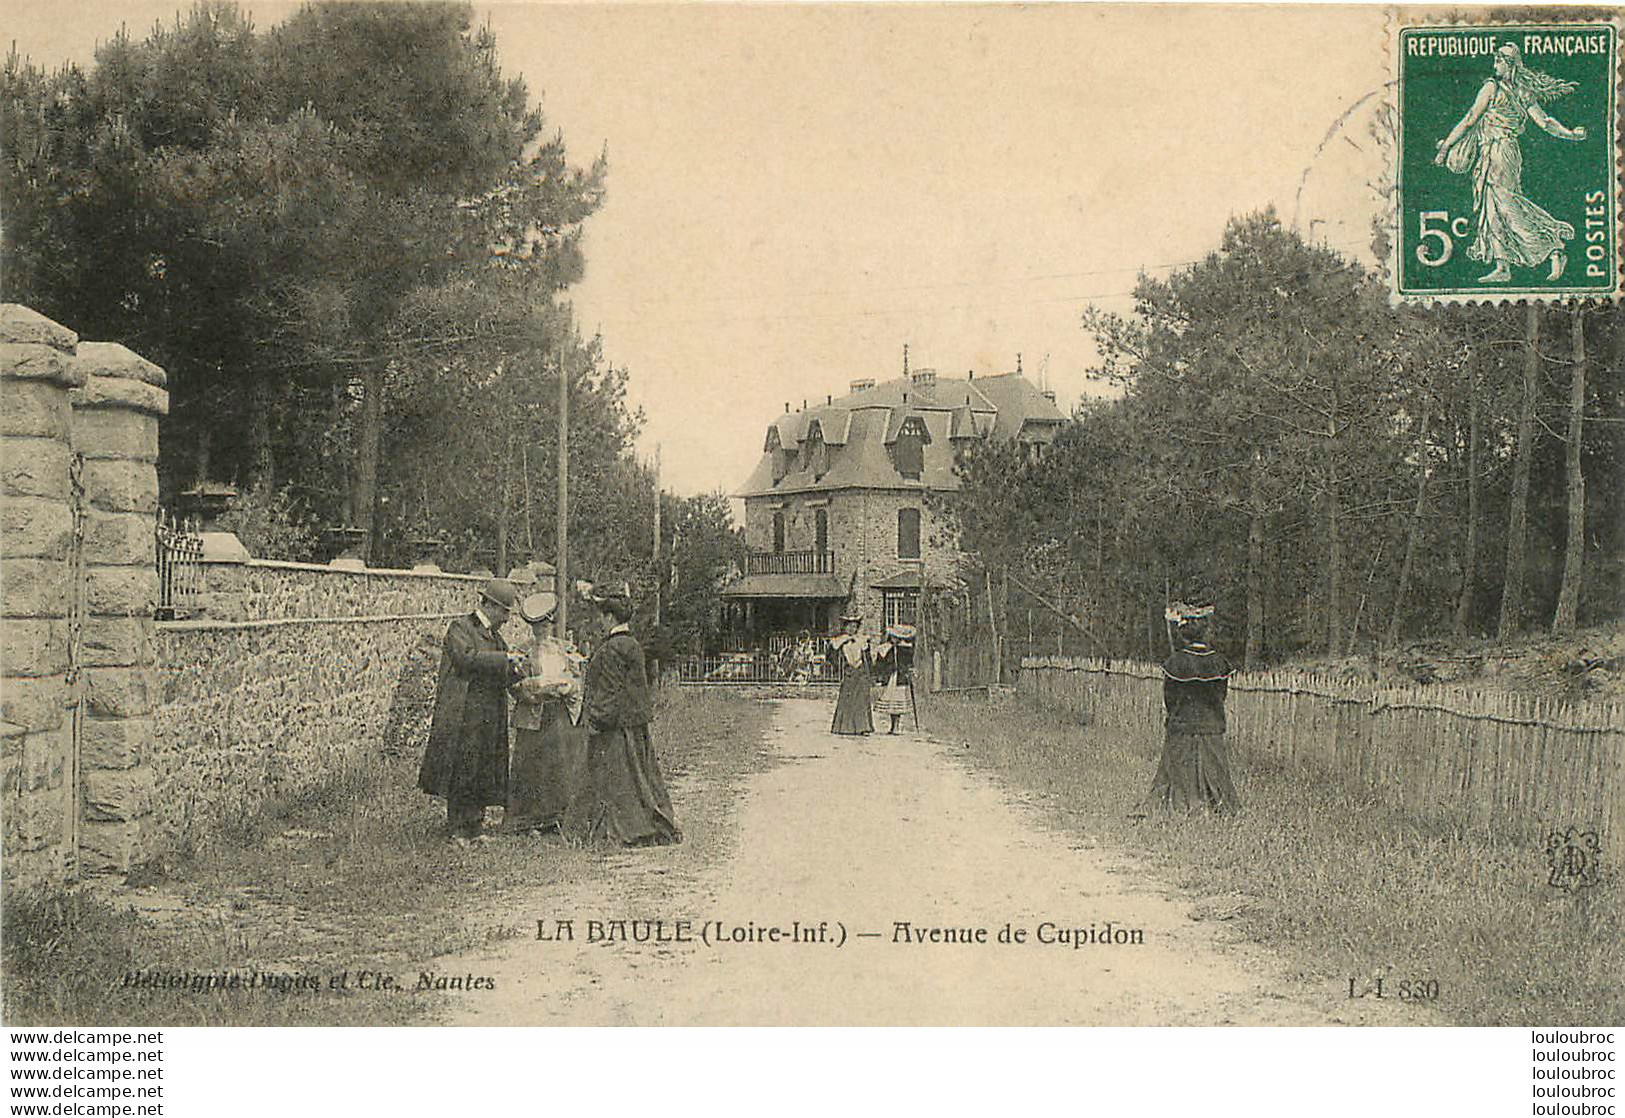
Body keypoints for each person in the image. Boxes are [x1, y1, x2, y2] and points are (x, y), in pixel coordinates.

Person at [1433, 43, 1587, 283]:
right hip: (1496, 152)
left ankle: (1553, 246)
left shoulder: (1493, 88)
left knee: (1506, 207)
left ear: (1509, 64)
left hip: (1500, 153)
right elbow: (1545, 122)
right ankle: (1502, 266)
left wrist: (1445, 148)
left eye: (1498, 61)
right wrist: (1571, 134)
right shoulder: (1517, 89)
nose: (1495, 65)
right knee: (1492, 209)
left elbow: (1470, 119)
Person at [418, 578, 527, 845]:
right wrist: (505, 659)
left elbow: (503, 671)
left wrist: (521, 671)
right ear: (490, 606)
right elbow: (466, 659)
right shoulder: (460, 628)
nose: (506, 619)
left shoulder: (496, 638)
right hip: (464, 712)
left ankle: (475, 827)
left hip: (489, 712)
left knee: (483, 766)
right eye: (504, 612)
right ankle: (457, 828)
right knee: (463, 767)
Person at [578, 590, 681, 847]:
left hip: (616, 727)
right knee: (640, 778)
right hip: (634, 724)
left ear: (610, 617)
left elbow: (610, 690)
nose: (600, 621)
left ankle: (628, 828)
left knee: (620, 780)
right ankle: (646, 822)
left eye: (602, 616)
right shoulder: (631, 644)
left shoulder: (613, 648)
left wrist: (596, 719)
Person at [503, 591, 587, 837]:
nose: (542, 630)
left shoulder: (565, 648)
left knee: (559, 764)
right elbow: (512, 683)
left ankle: (558, 818)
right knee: (531, 766)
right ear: (531, 627)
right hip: (533, 715)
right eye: (537, 626)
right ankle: (529, 821)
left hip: (558, 714)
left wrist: (568, 686)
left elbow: (577, 677)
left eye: (546, 624)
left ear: (552, 623)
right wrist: (529, 690)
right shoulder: (521, 650)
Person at [1146, 603, 1240, 813]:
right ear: (1206, 632)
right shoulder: (1218, 662)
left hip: (1181, 726)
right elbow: (1220, 695)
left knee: (1178, 768)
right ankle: (1215, 804)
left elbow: (1169, 697)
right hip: (1211, 726)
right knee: (1215, 770)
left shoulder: (1175, 662)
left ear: (1183, 635)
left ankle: (1180, 803)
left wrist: (1175, 718)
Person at [828, 614, 874, 735]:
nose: (852, 629)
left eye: (854, 627)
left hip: (860, 672)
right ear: (845, 627)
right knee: (847, 699)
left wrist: (868, 672)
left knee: (861, 701)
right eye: (849, 626)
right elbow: (831, 656)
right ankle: (845, 727)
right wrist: (839, 667)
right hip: (848, 672)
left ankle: (862, 727)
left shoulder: (862, 640)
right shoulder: (839, 641)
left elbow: (867, 659)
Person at [872, 623, 917, 734]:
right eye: (893, 637)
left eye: (898, 637)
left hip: (901, 679)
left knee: (898, 702)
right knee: (890, 702)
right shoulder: (884, 649)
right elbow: (880, 664)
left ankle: (896, 725)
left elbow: (909, 663)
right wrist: (880, 675)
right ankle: (892, 725)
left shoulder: (905, 650)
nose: (895, 639)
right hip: (890, 678)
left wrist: (908, 670)